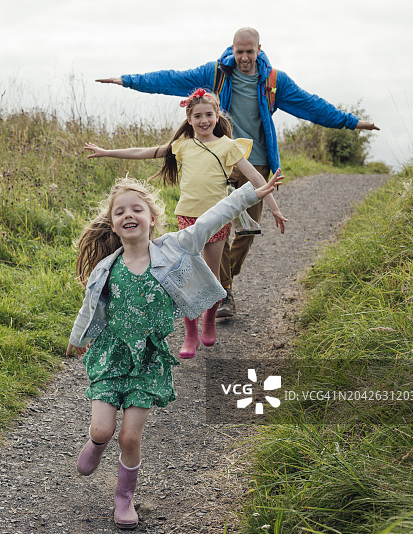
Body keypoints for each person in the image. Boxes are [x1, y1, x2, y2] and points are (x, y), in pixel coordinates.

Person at [96, 27, 379, 318]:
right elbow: (171, 79)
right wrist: (126, 81)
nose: (243, 58)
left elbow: (312, 106)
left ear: (259, 49)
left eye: (249, 52)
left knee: (247, 229)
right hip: (222, 163)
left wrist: (353, 123)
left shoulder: (274, 82)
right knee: (219, 227)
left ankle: (218, 280)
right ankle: (224, 290)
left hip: (256, 162)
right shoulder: (218, 73)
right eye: (239, 51)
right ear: (232, 49)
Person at [65, 173, 281, 529]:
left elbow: (212, 216)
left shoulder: (173, 247)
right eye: (120, 212)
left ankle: (124, 499)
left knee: (130, 436)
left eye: (137, 209)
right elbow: (90, 308)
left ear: (152, 219)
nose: (128, 214)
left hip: (149, 360)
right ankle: (96, 442)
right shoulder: (107, 266)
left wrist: (248, 194)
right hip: (111, 356)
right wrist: (77, 339)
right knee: (104, 430)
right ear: (114, 225)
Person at [84, 88, 286, 359]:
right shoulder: (182, 146)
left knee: (212, 278)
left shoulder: (228, 146)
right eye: (198, 115)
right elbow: (144, 151)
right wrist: (107, 152)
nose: (204, 120)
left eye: (209, 115)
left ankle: (210, 320)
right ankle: (191, 335)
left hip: (218, 217)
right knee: (186, 276)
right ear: (189, 119)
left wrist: (274, 208)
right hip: (188, 217)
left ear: (217, 116)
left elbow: (257, 180)